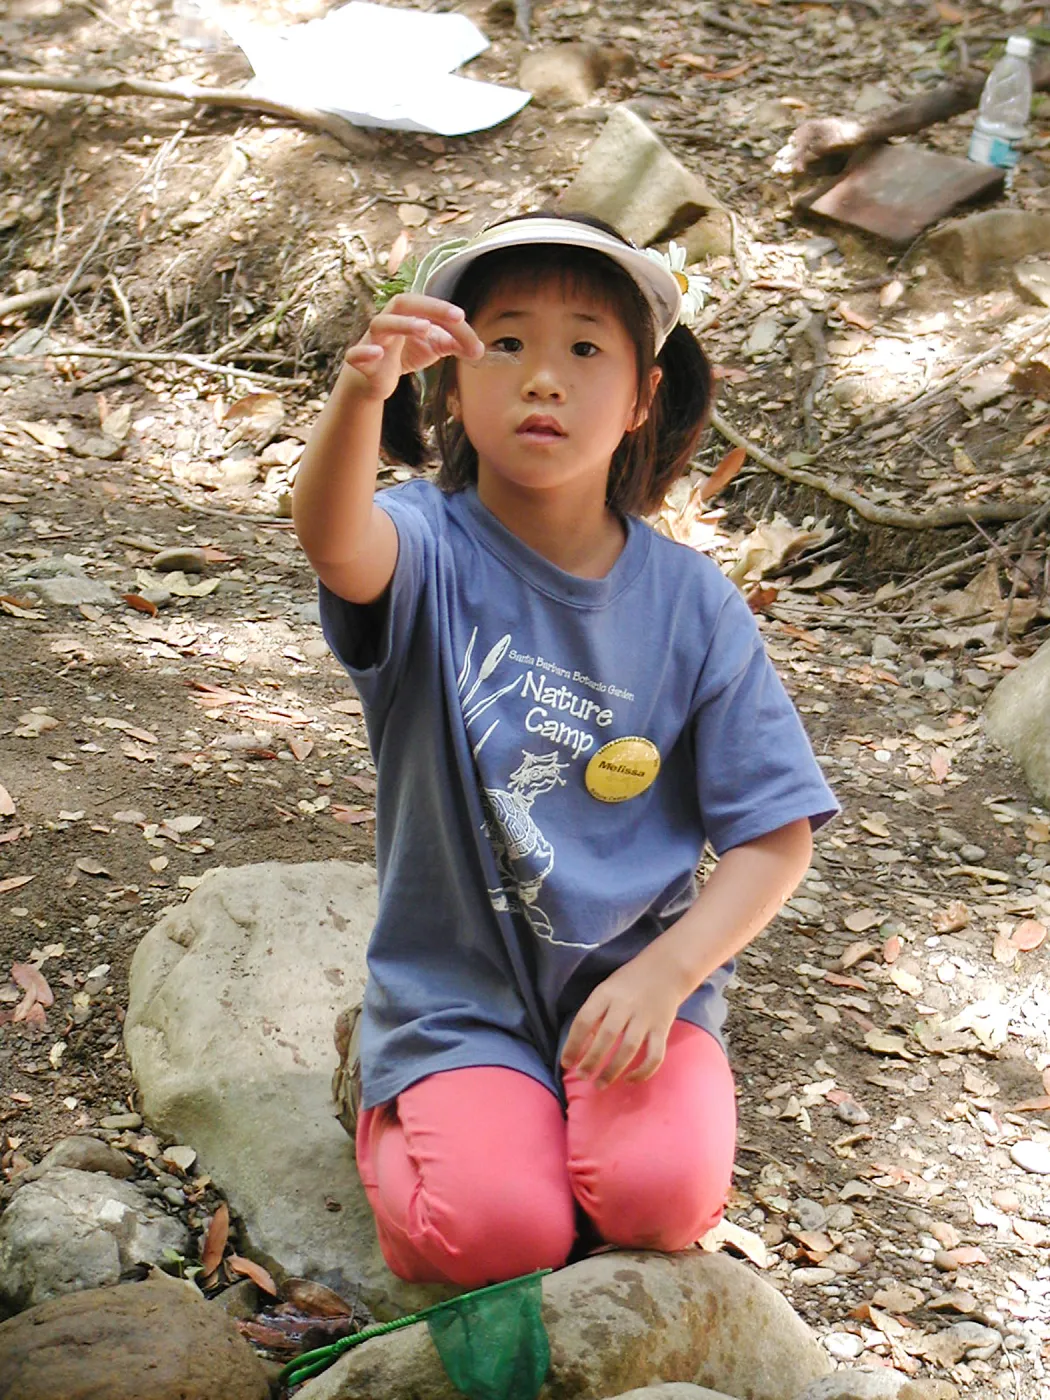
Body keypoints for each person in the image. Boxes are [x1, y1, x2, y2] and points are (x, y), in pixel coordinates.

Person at [294, 213, 838, 1289]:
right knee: (498, 1237)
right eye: (507, 342)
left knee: (659, 1202)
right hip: (460, 1000)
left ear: (641, 396)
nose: (544, 376)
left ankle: (564, 1124)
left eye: (586, 347)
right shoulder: (424, 547)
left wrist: (668, 973)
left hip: (638, 996)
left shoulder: (693, 606)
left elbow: (774, 837)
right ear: (450, 384)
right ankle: (396, 1086)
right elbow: (332, 537)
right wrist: (362, 392)